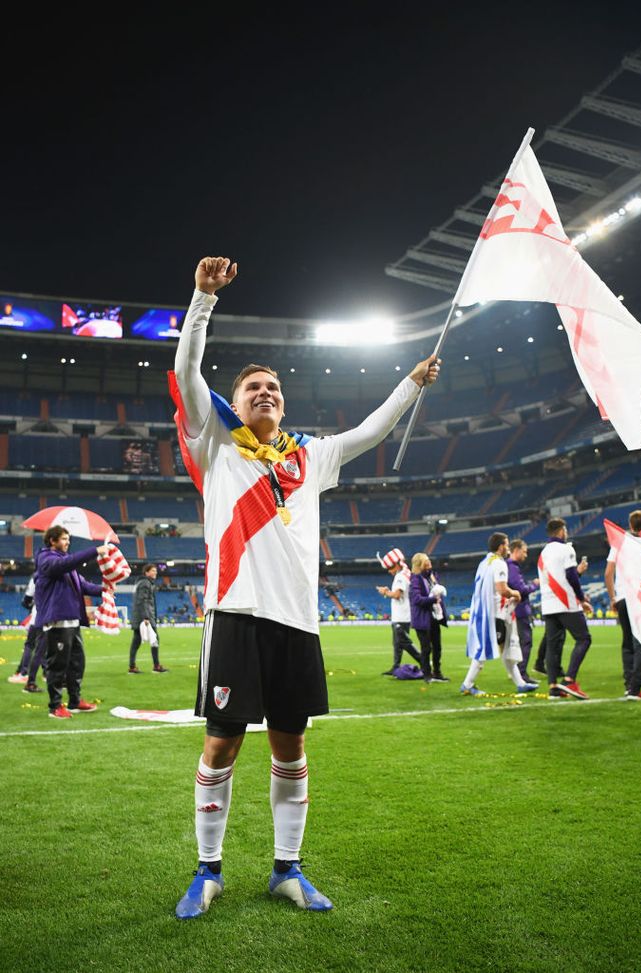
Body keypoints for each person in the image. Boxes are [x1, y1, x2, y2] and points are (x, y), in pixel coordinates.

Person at [171, 255, 441, 919]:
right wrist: (202, 300)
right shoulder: (216, 445)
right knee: (222, 742)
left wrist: (410, 382)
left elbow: (370, 430)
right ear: (231, 406)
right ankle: (207, 872)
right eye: (252, 388)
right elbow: (184, 374)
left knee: (290, 745)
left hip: (297, 623)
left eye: (273, 388)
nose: (264, 392)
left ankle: (286, 869)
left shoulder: (310, 456)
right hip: (234, 614)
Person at [34, 526, 109, 719]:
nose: (68, 542)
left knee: (77, 663)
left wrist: (105, 590)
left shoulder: (67, 565)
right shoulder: (46, 559)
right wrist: (94, 551)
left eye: (68, 539)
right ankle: (55, 706)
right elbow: (63, 565)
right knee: (58, 665)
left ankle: (75, 701)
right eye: (64, 539)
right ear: (52, 540)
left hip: (72, 621)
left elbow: (83, 585)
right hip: (57, 621)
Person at [461, 532, 539, 696]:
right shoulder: (499, 563)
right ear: (501, 546)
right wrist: (515, 593)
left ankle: (520, 683)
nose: (508, 548)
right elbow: (502, 589)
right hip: (493, 614)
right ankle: (467, 684)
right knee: (485, 650)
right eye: (507, 544)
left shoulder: (484, 562)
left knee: (506, 648)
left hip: (483, 611)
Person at [605, 509, 641, 700]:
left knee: (627, 642)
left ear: (630, 525)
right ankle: (635, 688)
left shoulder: (619, 543)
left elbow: (608, 572)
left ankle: (629, 685)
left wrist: (613, 597)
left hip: (622, 598)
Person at [538, 518, 592, 700]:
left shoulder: (543, 553)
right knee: (584, 638)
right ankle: (570, 680)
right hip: (565, 602)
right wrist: (581, 598)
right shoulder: (566, 548)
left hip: (548, 604)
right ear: (561, 531)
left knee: (552, 646)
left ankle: (553, 687)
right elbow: (571, 576)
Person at [376, 548, 421, 674]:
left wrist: (385, 592)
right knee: (397, 644)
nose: (389, 572)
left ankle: (424, 661)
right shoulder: (404, 574)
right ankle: (395, 667)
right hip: (400, 616)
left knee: (404, 642)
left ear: (396, 565)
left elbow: (397, 595)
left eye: (390, 568)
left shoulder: (400, 577)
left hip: (402, 616)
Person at [409, 553, 449, 683]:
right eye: (426, 561)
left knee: (437, 646)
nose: (429, 562)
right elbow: (416, 599)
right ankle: (427, 674)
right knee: (426, 648)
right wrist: (432, 599)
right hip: (422, 618)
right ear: (420, 564)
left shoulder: (432, 576)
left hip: (434, 617)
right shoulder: (415, 579)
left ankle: (437, 672)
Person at [506, 540, 540, 683]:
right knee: (525, 641)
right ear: (516, 550)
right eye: (524, 551)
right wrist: (534, 585)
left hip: (514, 611)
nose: (526, 555)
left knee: (516, 642)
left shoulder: (510, 566)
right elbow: (520, 590)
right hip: (519, 611)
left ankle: (515, 672)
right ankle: (521, 674)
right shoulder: (512, 567)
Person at [128, 564, 168, 673]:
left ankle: (132, 666)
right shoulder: (145, 583)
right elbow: (143, 600)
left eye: (156, 571)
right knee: (155, 640)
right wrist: (146, 617)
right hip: (145, 618)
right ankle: (156, 666)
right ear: (146, 572)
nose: (155, 572)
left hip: (140, 617)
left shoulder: (141, 583)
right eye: (153, 571)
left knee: (136, 642)